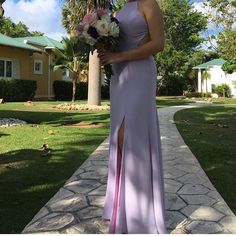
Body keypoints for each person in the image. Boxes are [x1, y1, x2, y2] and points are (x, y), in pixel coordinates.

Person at [98, 0, 167, 233]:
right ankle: (120, 205)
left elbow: (159, 44)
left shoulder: (149, 3)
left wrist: (120, 57)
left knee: (131, 135)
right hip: (120, 76)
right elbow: (119, 43)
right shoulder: (120, 9)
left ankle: (139, 213)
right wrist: (105, 49)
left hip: (139, 73)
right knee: (118, 137)